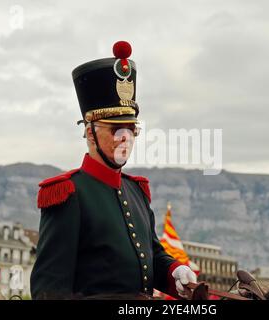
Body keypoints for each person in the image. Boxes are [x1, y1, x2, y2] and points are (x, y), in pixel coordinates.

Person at [30, 41, 197, 299]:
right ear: (89, 132)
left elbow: (151, 256)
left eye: (131, 130)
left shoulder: (136, 190)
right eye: (115, 129)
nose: (125, 138)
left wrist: (174, 270)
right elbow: (48, 291)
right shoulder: (68, 193)